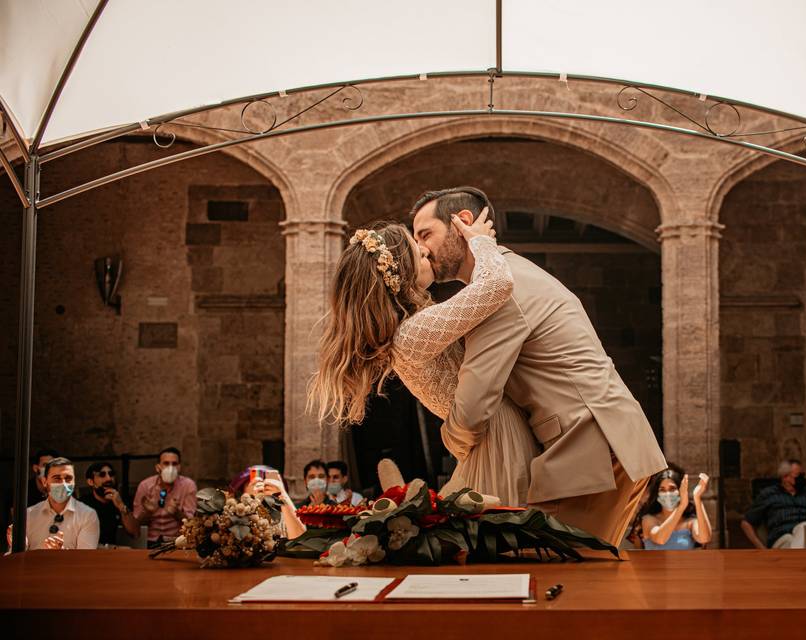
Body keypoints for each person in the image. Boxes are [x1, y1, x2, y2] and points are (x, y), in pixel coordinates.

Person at [412, 187, 667, 544]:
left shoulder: (498, 291)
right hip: (604, 442)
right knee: (569, 577)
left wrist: (458, 447)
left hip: (593, 447)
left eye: (426, 234)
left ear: (462, 223)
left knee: (556, 572)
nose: (421, 248)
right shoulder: (508, 274)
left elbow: (472, 408)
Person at [308, 210, 540, 507]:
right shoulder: (412, 334)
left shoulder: (410, 330)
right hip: (497, 439)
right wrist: (481, 242)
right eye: (417, 251)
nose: (425, 250)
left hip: (489, 437)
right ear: (401, 273)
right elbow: (496, 286)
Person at [22, 457, 98, 550]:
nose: (63, 484)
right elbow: (14, 558)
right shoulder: (29, 515)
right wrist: (19, 547)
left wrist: (61, 553)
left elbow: (85, 559)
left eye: (68, 478)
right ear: (45, 481)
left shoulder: (87, 515)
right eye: (57, 478)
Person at [132, 447, 197, 548]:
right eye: (166, 463)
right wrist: (148, 512)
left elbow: (192, 523)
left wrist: (177, 513)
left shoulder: (188, 485)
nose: (170, 468)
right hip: (149, 542)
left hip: (176, 542)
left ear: (179, 467)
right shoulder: (145, 485)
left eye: (174, 464)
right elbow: (135, 525)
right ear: (158, 467)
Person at [741, 459, 806, 549]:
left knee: (804, 528)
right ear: (785, 477)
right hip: (782, 539)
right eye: (798, 476)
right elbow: (746, 523)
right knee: (790, 539)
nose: (802, 479)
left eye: (803, 475)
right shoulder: (769, 494)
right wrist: (762, 549)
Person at [635, 469, 712, 550]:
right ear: (657, 494)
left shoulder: (690, 522)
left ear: (680, 491)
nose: (668, 493)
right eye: (662, 490)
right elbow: (660, 539)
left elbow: (705, 538)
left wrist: (697, 497)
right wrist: (682, 506)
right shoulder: (648, 520)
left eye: (672, 489)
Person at [230, 465, 306, 539]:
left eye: (265, 480)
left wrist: (282, 495)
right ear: (243, 490)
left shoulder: (283, 515)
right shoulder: (234, 514)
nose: (261, 484)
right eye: (252, 481)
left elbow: (300, 537)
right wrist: (251, 499)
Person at [80, 461, 139, 546]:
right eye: (102, 475)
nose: (109, 479)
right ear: (91, 482)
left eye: (111, 474)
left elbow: (135, 533)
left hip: (111, 554)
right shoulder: (82, 504)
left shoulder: (119, 501)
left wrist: (120, 505)